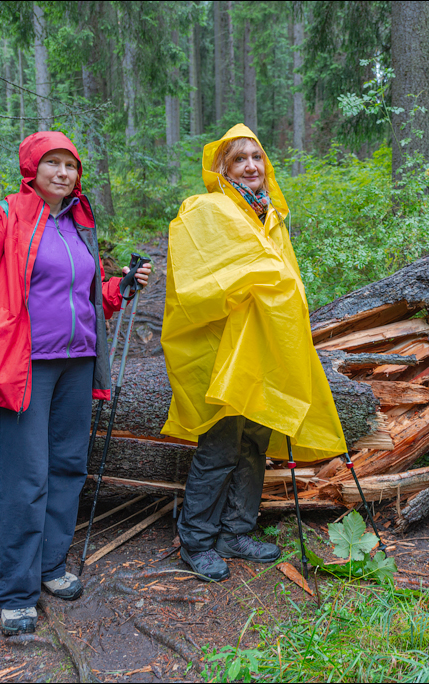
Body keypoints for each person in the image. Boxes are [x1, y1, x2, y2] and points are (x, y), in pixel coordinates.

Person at [0, 131, 152, 635]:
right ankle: (17, 593)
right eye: (53, 164)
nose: (64, 173)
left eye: (71, 166)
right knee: (26, 477)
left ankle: (50, 566)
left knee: (67, 466)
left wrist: (118, 288)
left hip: (79, 363)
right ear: (32, 168)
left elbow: (85, 299)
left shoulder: (79, 224)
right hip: (25, 367)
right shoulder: (1, 218)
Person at [160, 124, 348, 582]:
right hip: (224, 348)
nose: (250, 166)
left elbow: (286, 281)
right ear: (223, 168)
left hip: (266, 347)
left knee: (254, 443)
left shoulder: (272, 217)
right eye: (239, 159)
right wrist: (261, 280)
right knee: (221, 443)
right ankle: (196, 540)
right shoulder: (206, 210)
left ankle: (235, 533)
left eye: (256, 158)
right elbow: (197, 282)